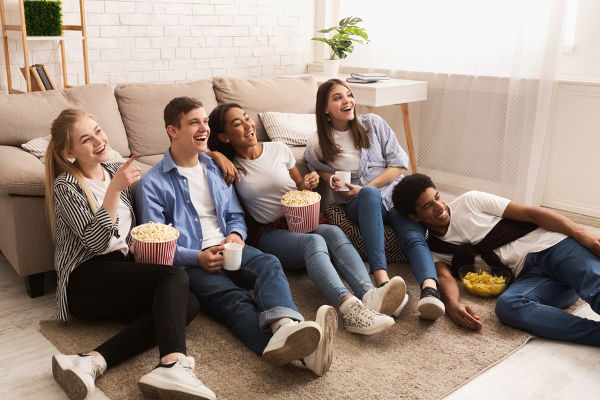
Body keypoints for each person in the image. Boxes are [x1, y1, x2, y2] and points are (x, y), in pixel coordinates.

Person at [135, 96, 337, 376]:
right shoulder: (151, 183)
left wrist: (235, 235)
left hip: (229, 247)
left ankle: (283, 328)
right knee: (234, 300)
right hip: (194, 261)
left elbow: (235, 215)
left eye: (205, 121)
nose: (203, 128)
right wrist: (197, 257)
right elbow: (154, 243)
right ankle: (302, 354)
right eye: (194, 123)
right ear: (173, 130)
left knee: (268, 264)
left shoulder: (216, 169)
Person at [45, 109, 216, 400]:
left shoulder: (113, 171)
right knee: (176, 275)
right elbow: (97, 244)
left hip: (117, 270)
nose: (98, 141)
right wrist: (114, 189)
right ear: (69, 151)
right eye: (86, 139)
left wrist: (214, 155)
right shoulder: (67, 186)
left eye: (98, 131)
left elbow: (123, 232)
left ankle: (92, 361)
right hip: (85, 281)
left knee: (186, 305)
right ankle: (173, 362)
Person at [206, 103, 408, 336]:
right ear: (224, 136)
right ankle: (350, 308)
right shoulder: (229, 166)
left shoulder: (279, 149)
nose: (248, 125)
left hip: (302, 219)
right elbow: (192, 154)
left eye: (246, 118)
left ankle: (369, 294)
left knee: (333, 233)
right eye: (237, 124)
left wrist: (307, 183)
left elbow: (299, 187)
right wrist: (216, 154)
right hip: (272, 233)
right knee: (315, 243)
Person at [392, 173, 600, 346]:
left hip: (553, 247)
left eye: (437, 197)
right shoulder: (435, 249)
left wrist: (581, 233)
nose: (439, 206)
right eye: (428, 206)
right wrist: (452, 304)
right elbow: (445, 278)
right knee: (508, 307)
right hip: (531, 278)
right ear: (414, 217)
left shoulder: (470, 201)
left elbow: (532, 214)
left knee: (595, 289)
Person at [305, 78, 444, 320]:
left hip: (394, 196)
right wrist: (331, 180)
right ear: (325, 108)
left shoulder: (373, 124)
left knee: (413, 235)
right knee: (369, 194)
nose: (347, 101)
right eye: (338, 98)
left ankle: (430, 291)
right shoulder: (318, 141)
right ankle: (382, 282)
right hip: (360, 205)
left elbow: (400, 165)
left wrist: (367, 186)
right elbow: (314, 165)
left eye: (349, 95)